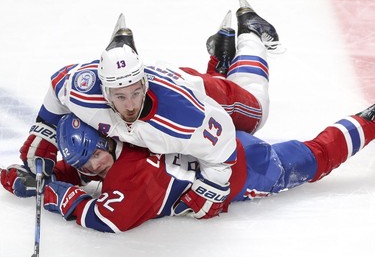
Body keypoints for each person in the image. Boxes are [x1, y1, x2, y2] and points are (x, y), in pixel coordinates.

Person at [19, 0, 281, 214]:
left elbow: (223, 141)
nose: (130, 106)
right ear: (105, 90)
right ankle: (221, 60)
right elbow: (59, 84)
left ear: (143, 84)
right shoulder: (86, 90)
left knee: (256, 112)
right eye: (119, 96)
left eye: (134, 94)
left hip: (203, 94)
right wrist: (45, 131)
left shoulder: (182, 117)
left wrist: (212, 189)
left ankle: (252, 34)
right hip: (172, 85)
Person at [2, 104, 374, 232]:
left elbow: (105, 219)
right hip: (214, 139)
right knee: (246, 102)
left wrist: (50, 191)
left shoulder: (132, 177)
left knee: (312, 159)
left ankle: (369, 121)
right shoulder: (121, 135)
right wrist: (45, 173)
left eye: (94, 156)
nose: (93, 166)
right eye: (84, 162)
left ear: (104, 139)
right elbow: (86, 171)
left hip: (246, 169)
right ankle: (228, 55)